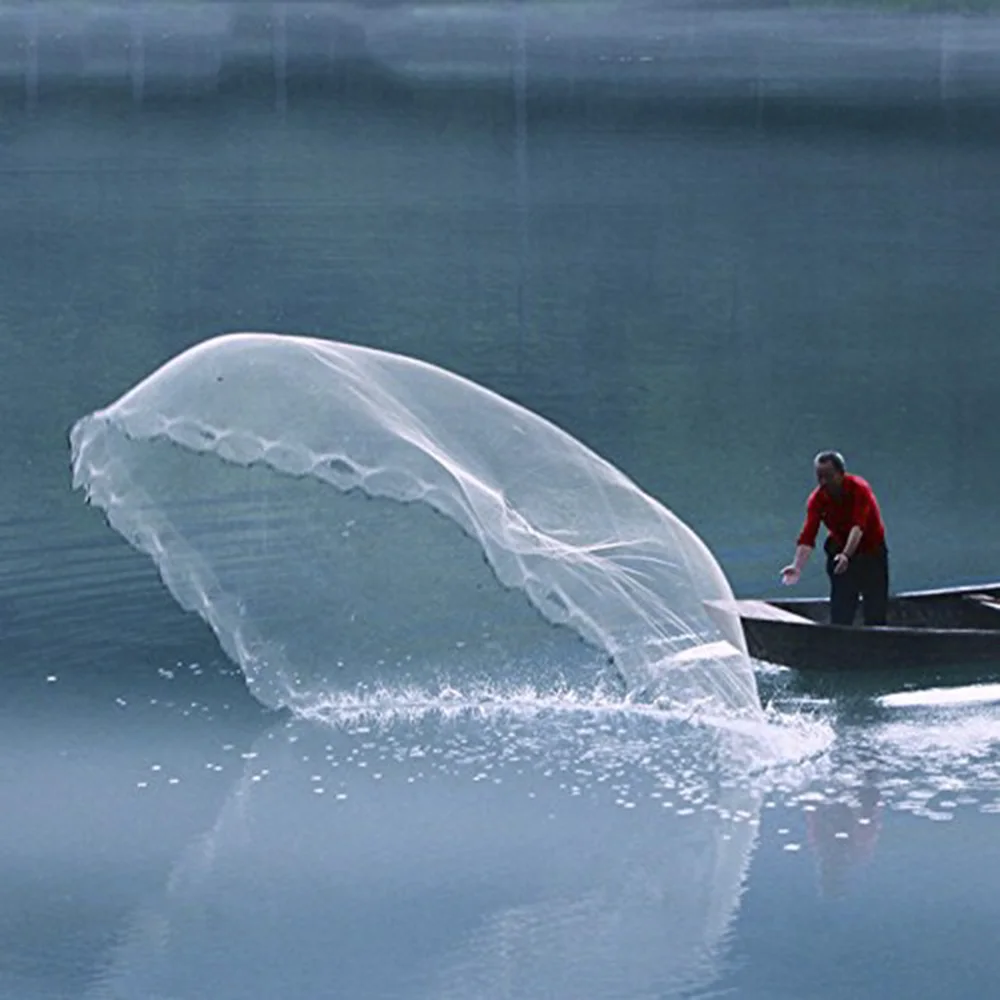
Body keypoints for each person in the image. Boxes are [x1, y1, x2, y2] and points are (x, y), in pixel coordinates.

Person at [781, 451, 889, 626]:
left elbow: (858, 527)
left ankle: (876, 633)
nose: (824, 482)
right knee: (841, 610)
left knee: (875, 610)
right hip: (839, 550)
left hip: (870, 551)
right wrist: (797, 566)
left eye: (828, 477)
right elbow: (808, 535)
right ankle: (841, 633)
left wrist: (847, 555)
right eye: (820, 477)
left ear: (841, 474)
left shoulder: (859, 489)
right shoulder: (817, 499)